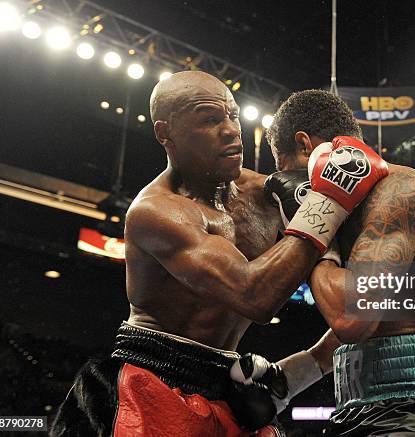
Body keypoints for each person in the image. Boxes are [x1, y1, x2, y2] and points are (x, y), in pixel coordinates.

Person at [51, 73, 388, 436]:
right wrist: (326, 203)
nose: (231, 130)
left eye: (233, 116)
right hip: (151, 379)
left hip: (234, 384)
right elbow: (254, 297)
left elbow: (371, 286)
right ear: (165, 133)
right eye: (211, 119)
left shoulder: (270, 193)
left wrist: (302, 370)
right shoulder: (157, 212)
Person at [266, 89, 415, 436]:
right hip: (356, 409)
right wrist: (292, 375)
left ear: (304, 146)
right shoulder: (362, 212)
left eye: (283, 166)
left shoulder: (401, 193)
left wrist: (314, 232)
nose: (291, 181)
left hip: (410, 414)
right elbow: (386, 321)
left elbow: (353, 316)